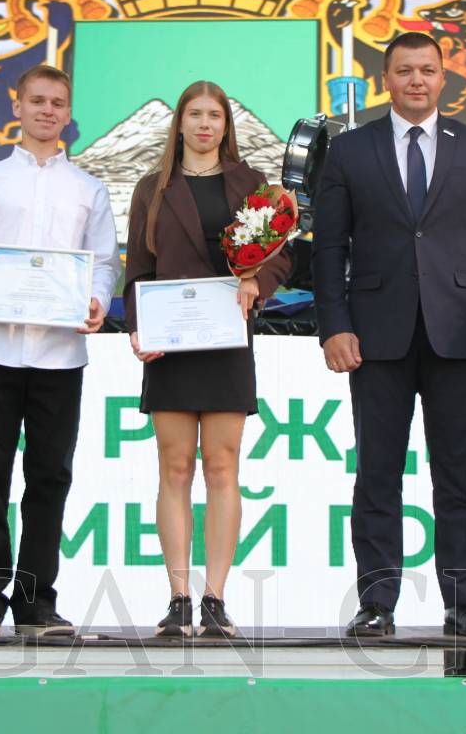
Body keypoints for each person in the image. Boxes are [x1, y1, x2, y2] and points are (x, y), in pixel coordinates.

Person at [312, 32, 466, 638]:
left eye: (427, 70)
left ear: (442, 77)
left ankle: (464, 602)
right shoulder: (350, 150)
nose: (416, 81)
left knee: (459, 475)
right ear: (387, 78)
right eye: (404, 71)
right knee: (377, 474)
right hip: (375, 336)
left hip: (462, 334)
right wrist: (334, 326)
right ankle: (377, 603)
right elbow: (329, 249)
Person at [0, 65, 120, 638]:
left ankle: (37, 604)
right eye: (37, 101)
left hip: (61, 355)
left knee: (49, 479)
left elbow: (105, 262)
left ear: (68, 113)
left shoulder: (89, 189)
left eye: (57, 103)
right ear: (17, 106)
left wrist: (96, 299)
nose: (46, 111)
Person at [123, 81, 292, 638]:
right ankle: (178, 598)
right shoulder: (151, 188)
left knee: (222, 466)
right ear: (179, 123)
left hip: (226, 341)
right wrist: (139, 328)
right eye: (194, 114)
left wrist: (256, 280)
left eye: (213, 115)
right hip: (170, 344)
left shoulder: (251, 183)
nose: (203, 124)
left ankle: (215, 598)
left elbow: (281, 256)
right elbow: (138, 271)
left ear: (226, 124)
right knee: (174, 468)